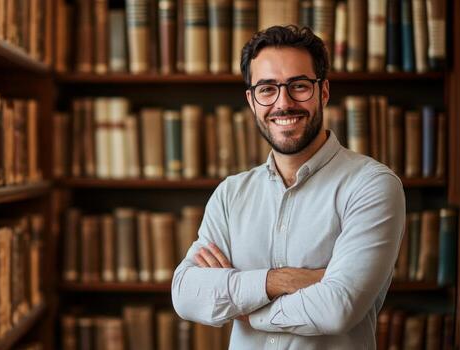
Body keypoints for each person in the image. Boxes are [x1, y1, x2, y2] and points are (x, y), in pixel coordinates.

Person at [171, 25, 405, 349]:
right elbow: (185, 293)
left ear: (323, 92)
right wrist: (277, 281)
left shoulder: (372, 186)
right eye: (267, 89)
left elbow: (338, 308)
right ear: (252, 100)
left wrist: (241, 305)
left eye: (298, 86)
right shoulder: (230, 194)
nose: (284, 103)